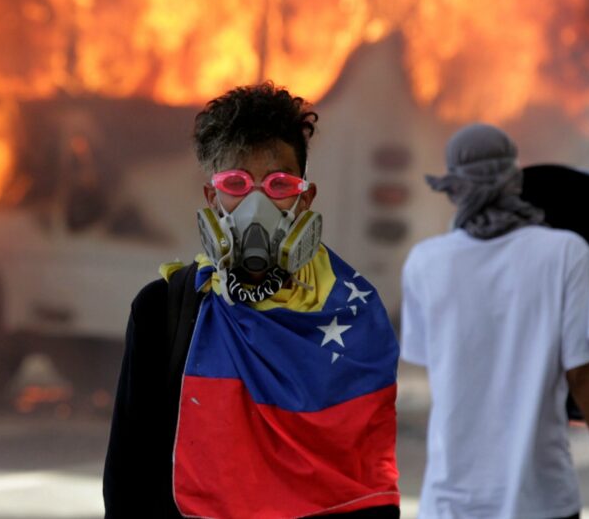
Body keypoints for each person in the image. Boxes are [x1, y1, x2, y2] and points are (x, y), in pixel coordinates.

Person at [103, 82, 401, 518]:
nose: (256, 203)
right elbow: (129, 486)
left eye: (279, 183)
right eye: (236, 183)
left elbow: (368, 492)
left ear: (305, 198)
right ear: (212, 197)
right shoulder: (163, 311)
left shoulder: (355, 315)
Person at [400, 123, 589, 519]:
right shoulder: (565, 253)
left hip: (449, 503)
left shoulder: (424, 262)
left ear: (454, 188)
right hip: (540, 501)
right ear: (515, 180)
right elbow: (584, 376)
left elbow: (440, 364)